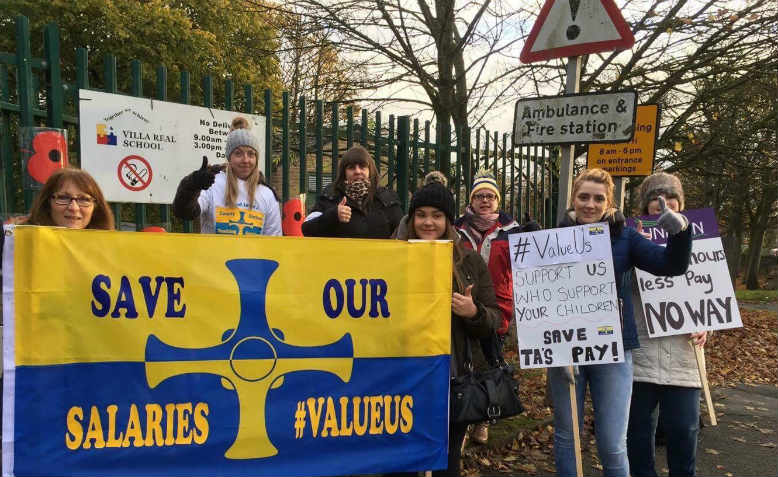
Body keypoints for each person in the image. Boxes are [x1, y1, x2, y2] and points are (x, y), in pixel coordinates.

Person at [546, 168, 692, 477]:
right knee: (567, 436)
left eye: (598, 198)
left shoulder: (625, 237)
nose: (590, 204)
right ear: (573, 198)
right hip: (566, 348)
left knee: (613, 443)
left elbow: (672, 265)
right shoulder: (553, 239)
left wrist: (679, 234)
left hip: (614, 351)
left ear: (609, 202)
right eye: (583, 197)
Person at [394, 176, 501, 477]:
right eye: (421, 215)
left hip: (453, 379)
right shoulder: (389, 257)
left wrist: (473, 312)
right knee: (399, 463)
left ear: (449, 221)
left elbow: (494, 318)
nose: (429, 223)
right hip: (401, 379)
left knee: (447, 461)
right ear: (411, 217)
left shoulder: (469, 262)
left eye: (437, 216)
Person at [627, 172, 706, 477]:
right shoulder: (632, 239)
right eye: (657, 206)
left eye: (672, 205)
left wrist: (706, 326)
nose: (665, 211)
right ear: (647, 209)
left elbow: (709, 291)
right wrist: (636, 253)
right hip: (642, 353)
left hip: (683, 357)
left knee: (684, 432)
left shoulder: (699, 238)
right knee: (637, 435)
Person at [453, 168, 537, 444]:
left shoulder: (510, 231)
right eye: (480, 196)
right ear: (471, 200)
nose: (485, 201)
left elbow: (529, 267)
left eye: (490, 196)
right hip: (461, 306)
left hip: (496, 308)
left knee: (491, 366)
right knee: (467, 366)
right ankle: (465, 420)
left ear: (498, 202)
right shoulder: (457, 229)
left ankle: (484, 419)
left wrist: (532, 241)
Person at [173, 117, 281, 236]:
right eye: (238, 153)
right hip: (212, 255)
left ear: (256, 158)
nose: (245, 160)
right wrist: (192, 185)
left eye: (251, 154)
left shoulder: (267, 194)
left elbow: (273, 244)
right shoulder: (212, 183)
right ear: (229, 157)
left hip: (252, 255)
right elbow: (183, 212)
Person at [302, 145, 402, 238]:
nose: (357, 171)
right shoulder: (330, 195)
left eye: (362, 166)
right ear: (344, 172)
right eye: (351, 167)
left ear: (370, 171)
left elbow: (402, 233)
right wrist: (333, 215)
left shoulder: (387, 198)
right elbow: (307, 229)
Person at [25, 167, 115, 230]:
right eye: (63, 197)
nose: (74, 208)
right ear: (47, 203)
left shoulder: (112, 249)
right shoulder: (17, 243)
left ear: (96, 208)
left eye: (84, 199)